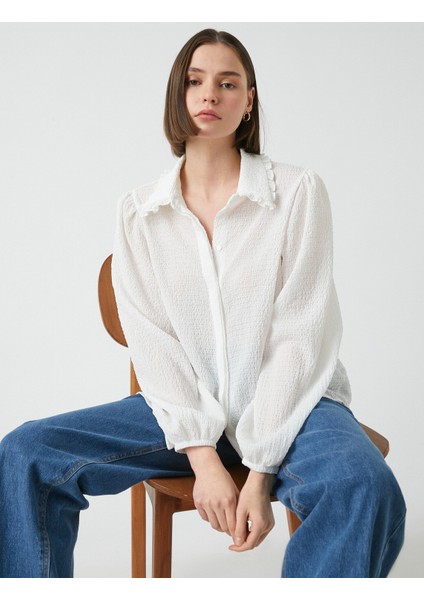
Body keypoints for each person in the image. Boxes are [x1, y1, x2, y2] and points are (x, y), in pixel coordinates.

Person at [0, 28, 406, 578]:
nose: (210, 94)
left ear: (249, 100)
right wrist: (203, 456)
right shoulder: (139, 212)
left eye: (227, 83)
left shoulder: (297, 193)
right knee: (26, 453)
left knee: (363, 486)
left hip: (295, 408)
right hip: (179, 410)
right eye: (195, 81)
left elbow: (299, 336)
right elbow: (154, 345)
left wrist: (258, 471)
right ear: (178, 94)